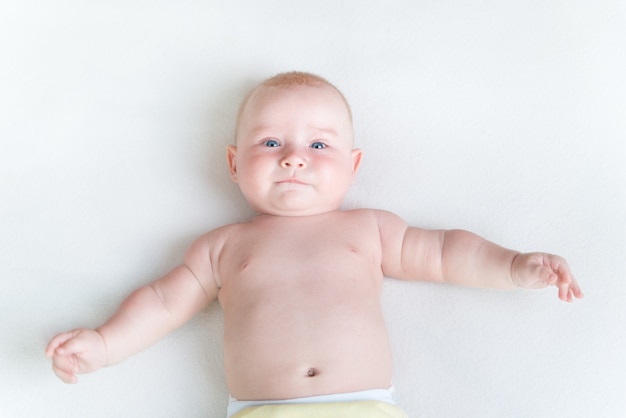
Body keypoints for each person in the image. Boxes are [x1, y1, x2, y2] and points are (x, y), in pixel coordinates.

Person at [45, 71, 583, 418]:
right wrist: (105, 344)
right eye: (271, 142)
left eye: (319, 144)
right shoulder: (223, 247)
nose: (294, 157)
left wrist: (514, 266)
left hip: (365, 408)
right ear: (234, 164)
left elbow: (444, 253)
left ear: (353, 166)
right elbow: (163, 303)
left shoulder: (368, 229)